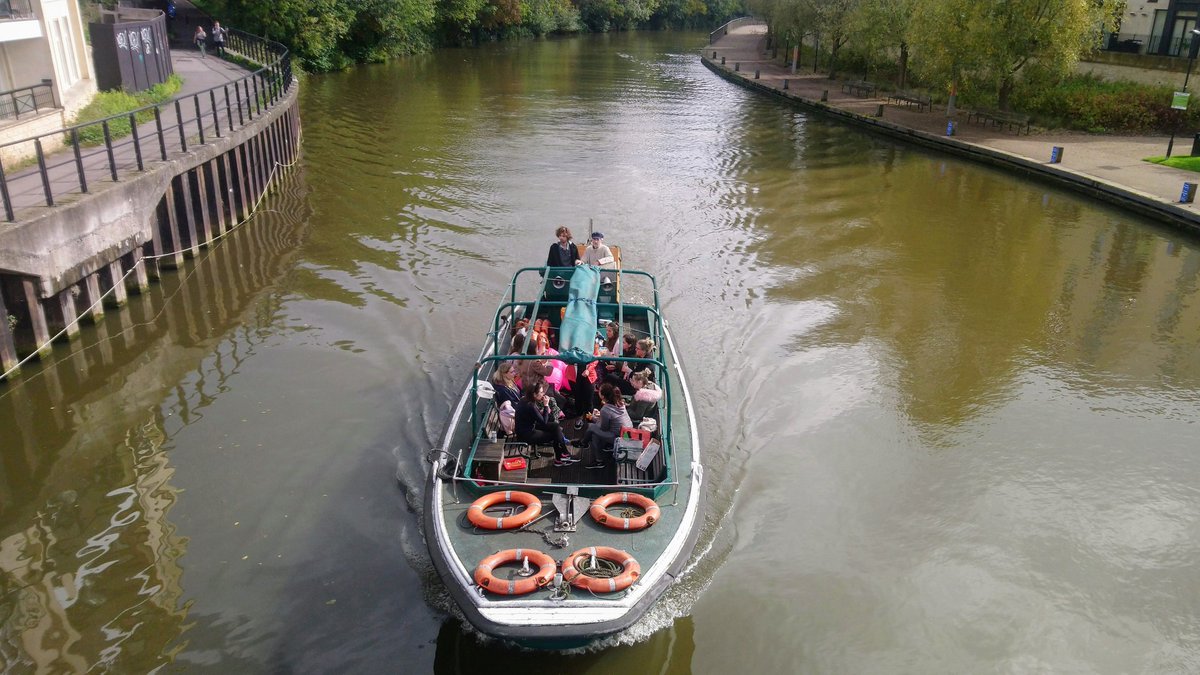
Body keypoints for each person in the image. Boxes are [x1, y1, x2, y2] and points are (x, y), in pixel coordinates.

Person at [514, 382, 576, 467]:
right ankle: (560, 457)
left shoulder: (525, 399)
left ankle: (563, 454)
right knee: (555, 434)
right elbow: (544, 422)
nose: (543, 394)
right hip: (526, 434)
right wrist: (546, 406)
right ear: (534, 394)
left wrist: (542, 412)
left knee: (555, 426)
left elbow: (535, 416)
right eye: (541, 392)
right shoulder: (530, 405)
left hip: (528, 427)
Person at [576, 383, 631, 470]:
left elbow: (604, 428)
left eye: (600, 391)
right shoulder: (620, 402)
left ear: (603, 396)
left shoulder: (605, 409)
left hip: (618, 437)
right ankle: (598, 460)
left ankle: (583, 443)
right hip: (627, 433)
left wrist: (593, 418)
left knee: (591, 427)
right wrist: (599, 417)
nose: (598, 391)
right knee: (595, 435)